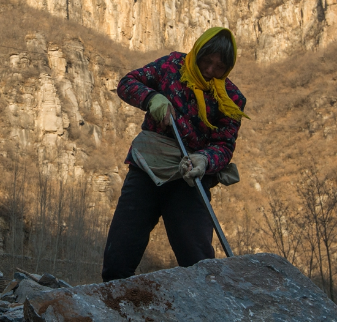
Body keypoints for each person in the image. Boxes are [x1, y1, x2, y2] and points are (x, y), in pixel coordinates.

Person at [101, 26, 248, 282]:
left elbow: (224, 145)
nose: (210, 70)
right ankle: (120, 314)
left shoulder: (231, 98)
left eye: (219, 66)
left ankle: (207, 316)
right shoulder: (171, 66)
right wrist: (151, 98)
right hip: (148, 168)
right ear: (197, 52)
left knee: (198, 264)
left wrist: (204, 160)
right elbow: (127, 83)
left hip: (189, 178)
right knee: (117, 264)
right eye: (206, 60)